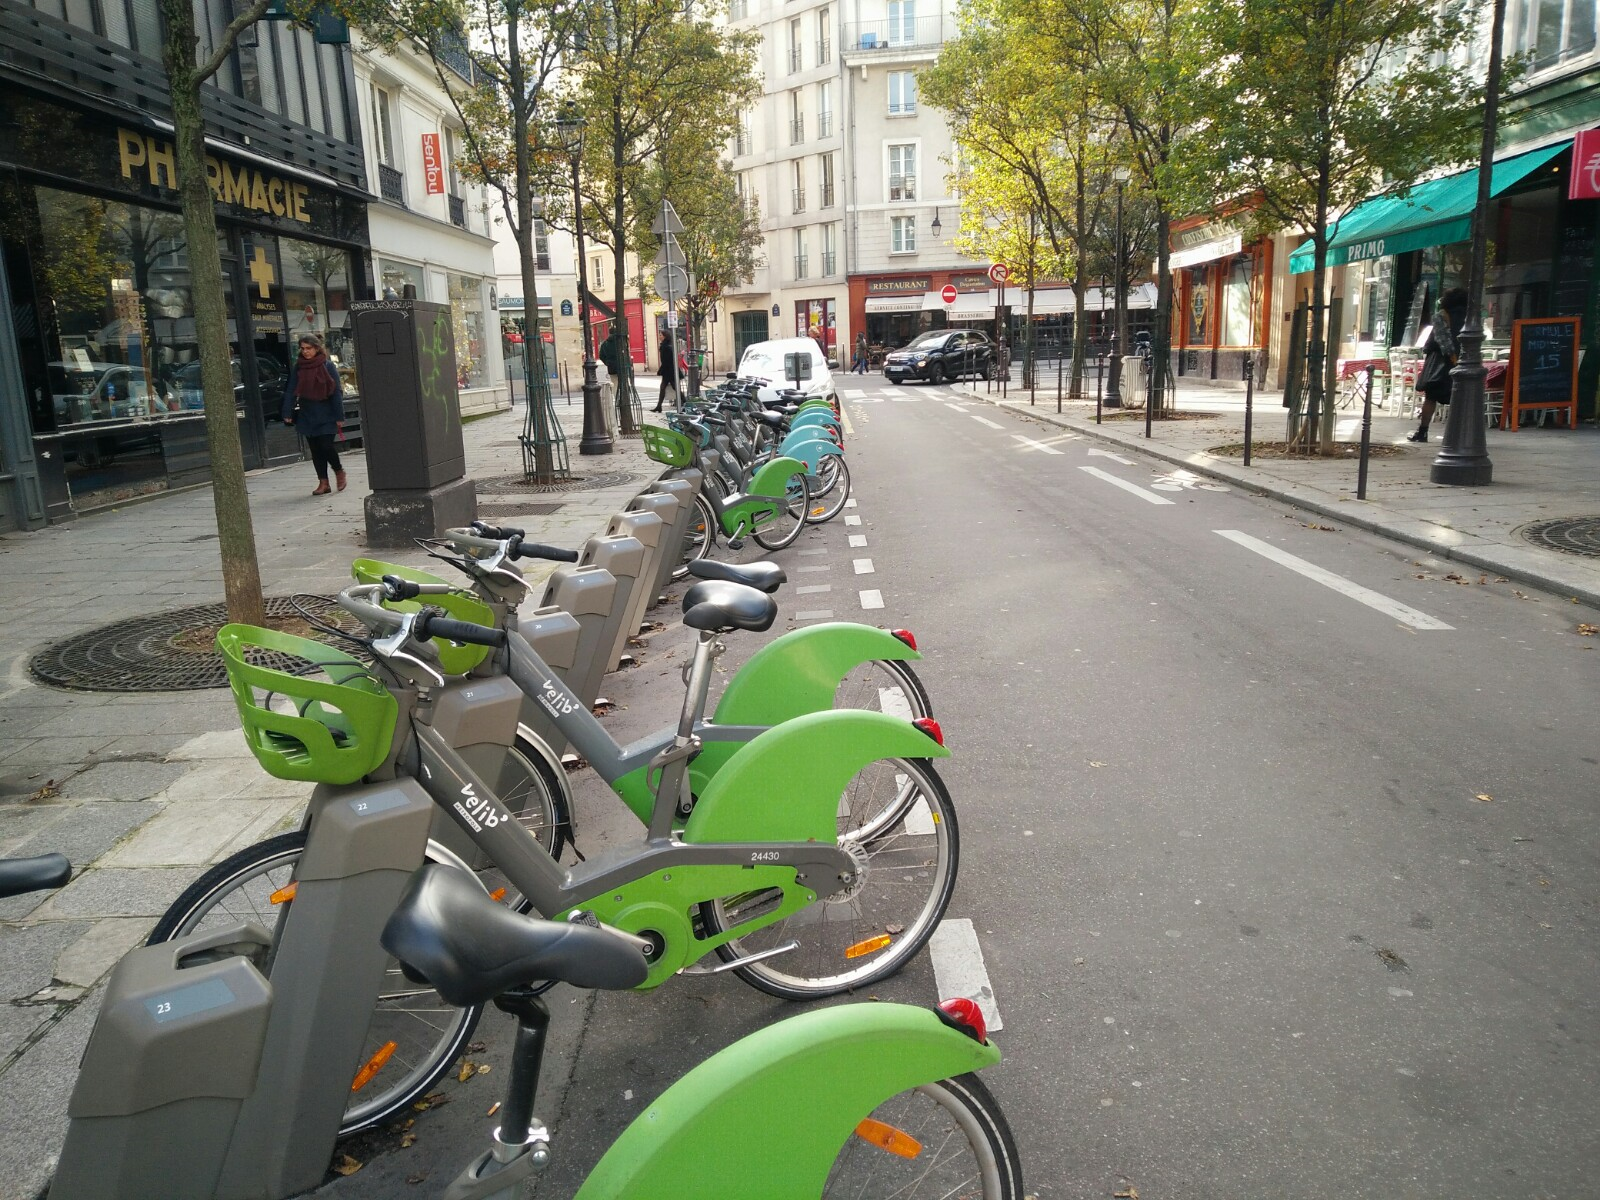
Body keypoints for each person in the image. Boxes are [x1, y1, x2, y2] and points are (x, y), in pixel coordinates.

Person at [281, 333, 346, 495]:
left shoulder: (327, 366)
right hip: (307, 413)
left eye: (309, 348)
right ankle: (323, 482)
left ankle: (338, 471)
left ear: (317, 348)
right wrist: (287, 411)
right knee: (315, 450)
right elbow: (291, 390)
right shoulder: (299, 367)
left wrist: (339, 416)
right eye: (302, 349)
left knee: (326, 445)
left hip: (326, 412)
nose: (305, 352)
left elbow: (336, 392)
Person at [1408, 287, 1470, 443]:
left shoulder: (1441, 316)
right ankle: (1458, 434)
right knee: (1460, 398)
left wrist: (1451, 358)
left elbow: (1443, 340)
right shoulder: (1470, 317)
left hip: (1440, 361)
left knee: (1431, 398)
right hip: (1465, 359)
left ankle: (1423, 432)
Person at [656, 332, 679, 413]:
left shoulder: (666, 347)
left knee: (674, 387)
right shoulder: (664, 346)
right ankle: (659, 406)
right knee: (663, 387)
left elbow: (667, 361)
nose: (659, 336)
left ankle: (685, 401)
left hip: (669, 371)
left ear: (665, 337)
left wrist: (661, 370)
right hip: (668, 371)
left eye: (661, 335)